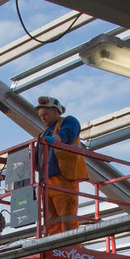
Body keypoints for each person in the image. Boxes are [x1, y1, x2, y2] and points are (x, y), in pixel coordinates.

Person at [35, 96, 86, 235]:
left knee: (67, 217)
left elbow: (67, 133)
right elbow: (34, 156)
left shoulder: (68, 121)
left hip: (64, 177)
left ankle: (71, 249)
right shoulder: (43, 134)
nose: (43, 118)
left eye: (45, 114)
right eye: (41, 116)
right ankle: (54, 248)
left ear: (56, 112)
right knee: (51, 220)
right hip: (46, 181)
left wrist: (55, 140)